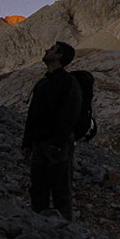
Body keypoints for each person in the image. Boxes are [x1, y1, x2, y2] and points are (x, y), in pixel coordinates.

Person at [22, 41, 82, 221]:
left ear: (58, 56)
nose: (46, 50)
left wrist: (58, 141)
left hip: (56, 146)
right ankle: (39, 225)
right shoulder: (43, 83)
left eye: (52, 49)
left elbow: (70, 113)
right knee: (37, 186)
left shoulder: (67, 82)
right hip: (39, 143)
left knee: (60, 188)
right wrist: (27, 143)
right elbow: (32, 115)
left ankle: (64, 229)